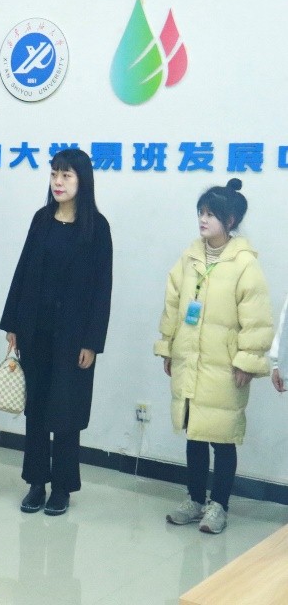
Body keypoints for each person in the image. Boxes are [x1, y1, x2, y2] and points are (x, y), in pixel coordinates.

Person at [0, 148, 112, 517]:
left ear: (82, 181)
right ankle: (36, 482)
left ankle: (62, 486)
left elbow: (102, 289)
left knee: (66, 411)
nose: (58, 182)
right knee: (35, 410)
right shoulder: (42, 220)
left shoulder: (97, 228)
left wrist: (92, 342)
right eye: (54, 175)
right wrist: (13, 324)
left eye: (66, 175)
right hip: (36, 331)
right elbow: (22, 272)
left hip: (73, 338)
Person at [155, 179, 272, 535]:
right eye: (201, 213)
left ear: (230, 220)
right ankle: (194, 499)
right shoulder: (189, 258)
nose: (203, 220)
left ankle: (219, 505)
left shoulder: (244, 264)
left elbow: (256, 318)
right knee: (195, 434)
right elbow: (173, 305)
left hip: (224, 367)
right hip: (190, 361)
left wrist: (246, 361)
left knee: (222, 436)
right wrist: (168, 347)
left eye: (211, 214)